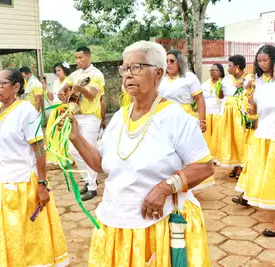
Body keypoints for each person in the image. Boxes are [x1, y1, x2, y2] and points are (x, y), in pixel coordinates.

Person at [64, 41, 213, 266]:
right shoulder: (119, 117)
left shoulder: (176, 117)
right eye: (125, 68)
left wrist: (165, 188)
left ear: (158, 73)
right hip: (115, 221)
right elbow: (100, 163)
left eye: (137, 67)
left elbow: (204, 167)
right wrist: (76, 137)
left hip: (157, 226)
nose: (127, 75)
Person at [0, 69, 68, 267]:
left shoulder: (26, 111)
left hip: (21, 183)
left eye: (2, 83)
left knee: (24, 234)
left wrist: (42, 183)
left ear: (16, 87)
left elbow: (39, 149)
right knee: (3, 232)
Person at [233, 58, 275, 237]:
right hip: (263, 136)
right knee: (265, 177)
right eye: (259, 60)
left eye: (266, 60)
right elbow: (251, 112)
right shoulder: (257, 83)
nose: (262, 63)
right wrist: (249, 91)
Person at [58, 47, 105, 201]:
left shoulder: (96, 74)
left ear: (88, 56)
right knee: (74, 150)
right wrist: (63, 92)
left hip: (91, 116)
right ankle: (88, 179)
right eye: (76, 58)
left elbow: (91, 95)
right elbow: (64, 88)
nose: (78, 61)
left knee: (89, 149)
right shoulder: (75, 74)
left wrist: (79, 88)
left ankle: (92, 187)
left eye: (80, 58)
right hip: (76, 114)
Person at [212, 55, 253, 178]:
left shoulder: (249, 79)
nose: (227, 68)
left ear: (237, 67)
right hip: (227, 113)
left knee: (240, 138)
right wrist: (218, 87)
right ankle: (236, 164)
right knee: (231, 139)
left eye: (229, 66)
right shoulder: (226, 80)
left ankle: (242, 166)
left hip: (241, 112)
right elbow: (220, 96)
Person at [159, 50, 207, 132]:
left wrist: (202, 121)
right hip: (163, 119)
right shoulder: (160, 78)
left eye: (172, 61)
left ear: (180, 62)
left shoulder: (189, 77)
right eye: (166, 61)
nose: (168, 63)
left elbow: (199, 99)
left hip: (184, 119)